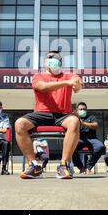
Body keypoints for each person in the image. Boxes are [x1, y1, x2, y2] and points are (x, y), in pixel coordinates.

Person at [15, 50, 83, 179]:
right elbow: (43, 87)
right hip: (41, 114)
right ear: (45, 62)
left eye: (55, 57)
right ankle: (34, 166)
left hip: (62, 115)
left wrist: (76, 83)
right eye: (49, 57)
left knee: (74, 121)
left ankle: (64, 165)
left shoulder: (69, 75)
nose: (52, 59)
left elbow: (77, 87)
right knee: (20, 124)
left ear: (60, 61)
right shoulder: (38, 76)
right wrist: (66, 83)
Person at [72, 102, 105, 175]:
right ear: (77, 110)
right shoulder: (74, 118)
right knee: (71, 147)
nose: (82, 111)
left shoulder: (91, 117)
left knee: (100, 146)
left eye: (84, 109)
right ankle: (81, 168)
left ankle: (89, 167)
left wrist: (83, 123)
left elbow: (95, 125)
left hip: (92, 139)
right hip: (80, 139)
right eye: (81, 109)